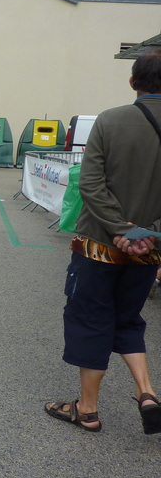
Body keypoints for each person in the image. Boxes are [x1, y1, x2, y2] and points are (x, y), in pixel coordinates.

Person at [45, 48, 161, 434]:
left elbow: (90, 183)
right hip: (149, 250)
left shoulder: (111, 121)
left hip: (99, 245)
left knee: (91, 320)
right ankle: (146, 393)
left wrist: (120, 229)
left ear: (133, 82)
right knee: (128, 320)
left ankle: (88, 409)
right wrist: (148, 233)